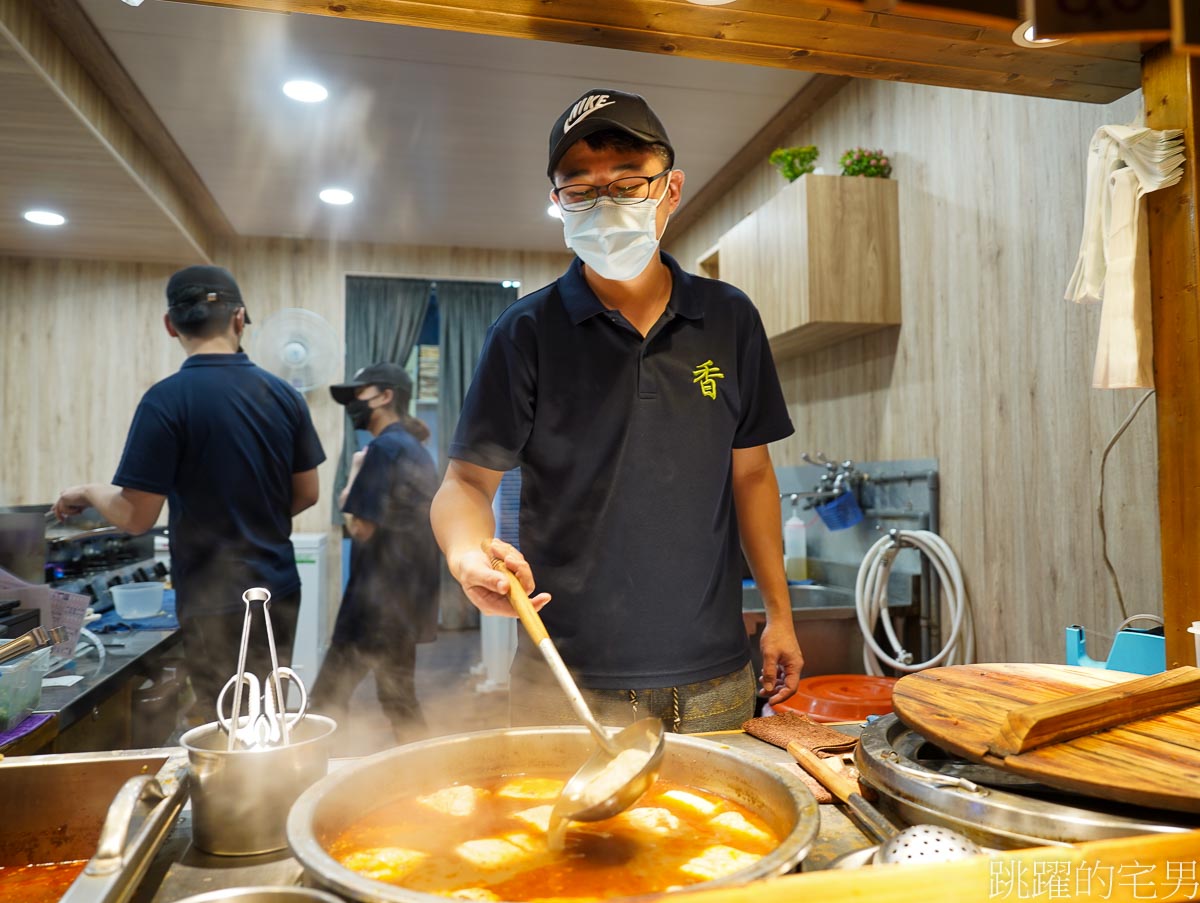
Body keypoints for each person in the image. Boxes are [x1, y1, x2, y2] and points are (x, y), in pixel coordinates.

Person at [430, 88, 803, 733]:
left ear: (670, 190)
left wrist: (780, 614)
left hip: (715, 673)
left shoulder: (729, 317)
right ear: (557, 202)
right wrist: (467, 555)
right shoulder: (526, 331)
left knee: (721, 832)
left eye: (630, 184)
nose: (605, 206)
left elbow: (752, 476)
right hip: (567, 679)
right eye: (581, 190)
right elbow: (465, 483)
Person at [53, 265, 325, 723]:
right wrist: (257, 518)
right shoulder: (284, 396)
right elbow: (309, 493)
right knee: (269, 715)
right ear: (240, 319)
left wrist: (87, 490)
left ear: (170, 324)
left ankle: (232, 795)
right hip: (277, 588)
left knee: (226, 724)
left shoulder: (166, 400)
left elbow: (136, 517)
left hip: (212, 599)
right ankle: (280, 794)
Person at [312, 363, 440, 737]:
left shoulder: (383, 448)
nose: (353, 403)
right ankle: (429, 776)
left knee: (326, 699)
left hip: (376, 602)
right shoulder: (413, 448)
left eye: (359, 394)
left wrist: (352, 477)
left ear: (385, 396)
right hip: (402, 599)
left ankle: (313, 782)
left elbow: (360, 525)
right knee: (398, 698)